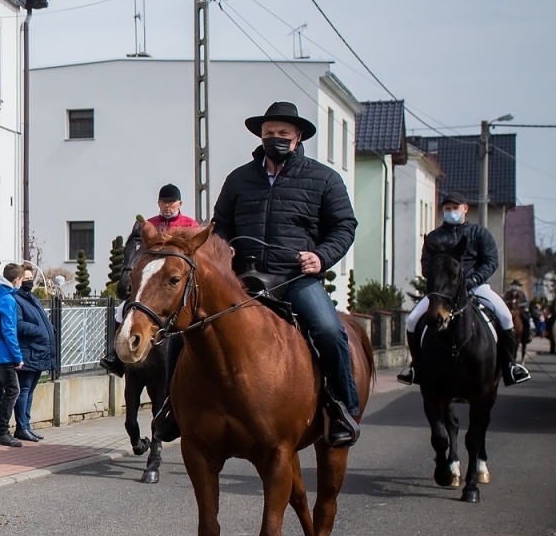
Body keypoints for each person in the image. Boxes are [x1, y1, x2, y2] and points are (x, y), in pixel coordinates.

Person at [209, 101, 362, 448]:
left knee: (328, 329)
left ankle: (342, 410)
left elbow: (344, 226)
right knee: (192, 322)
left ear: (297, 138)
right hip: (244, 278)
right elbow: (219, 226)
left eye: (282, 133)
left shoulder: (324, 178)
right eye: (269, 133)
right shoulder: (238, 179)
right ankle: (172, 408)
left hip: (295, 278)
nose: (274, 138)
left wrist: (321, 257)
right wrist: (224, 250)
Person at [396, 195, 531, 386]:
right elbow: (426, 264)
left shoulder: (479, 233)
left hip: (476, 286)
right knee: (411, 320)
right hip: (444, 292)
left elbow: (491, 261)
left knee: (506, 317)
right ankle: (416, 368)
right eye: (447, 208)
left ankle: (510, 367)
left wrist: (473, 279)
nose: (451, 211)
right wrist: (438, 278)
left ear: (465, 209)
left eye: (455, 207)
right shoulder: (434, 237)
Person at [100, 184, 197, 376]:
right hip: (153, 283)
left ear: (180, 203)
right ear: (158, 203)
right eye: (164, 202)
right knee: (122, 310)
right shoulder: (149, 225)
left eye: (171, 202)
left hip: (178, 284)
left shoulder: (190, 225)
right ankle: (116, 357)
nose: (167, 206)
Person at [11, 263, 56, 441]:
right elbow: (19, 325)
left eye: (31, 278)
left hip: (38, 352)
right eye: (26, 279)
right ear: (19, 279)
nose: (29, 282)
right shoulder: (16, 299)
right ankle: (21, 426)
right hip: (28, 351)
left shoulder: (31, 297)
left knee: (30, 391)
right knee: (24, 389)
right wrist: (39, 329)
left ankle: (26, 425)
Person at [0, 263, 26, 448]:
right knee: (13, 390)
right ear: (16, 280)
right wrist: (18, 357)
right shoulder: (8, 299)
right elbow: (8, 330)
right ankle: (2, 431)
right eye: (22, 280)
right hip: (4, 354)